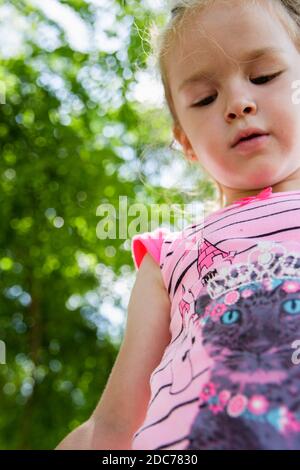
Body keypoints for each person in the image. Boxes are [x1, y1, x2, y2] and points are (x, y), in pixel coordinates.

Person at [56, 0, 300, 450]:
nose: (238, 104)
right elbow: (111, 426)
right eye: (205, 99)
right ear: (186, 142)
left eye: (264, 76)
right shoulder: (171, 254)